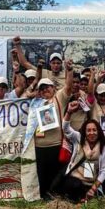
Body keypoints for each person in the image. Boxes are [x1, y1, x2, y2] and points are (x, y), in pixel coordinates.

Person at [33, 60, 74, 199]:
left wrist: (69, 70)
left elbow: (68, 86)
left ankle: (56, 197)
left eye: (47, 87)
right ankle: (44, 198)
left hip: (56, 144)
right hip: (38, 146)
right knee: (42, 175)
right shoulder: (34, 104)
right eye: (42, 88)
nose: (45, 90)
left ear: (53, 88)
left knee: (55, 174)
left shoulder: (59, 98)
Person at [55, 101, 105, 202]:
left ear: (99, 132)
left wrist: (94, 188)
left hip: (91, 182)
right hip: (75, 178)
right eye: (88, 130)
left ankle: (85, 195)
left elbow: (104, 171)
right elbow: (66, 128)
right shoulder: (78, 138)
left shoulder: (104, 149)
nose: (91, 133)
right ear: (84, 132)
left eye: (94, 130)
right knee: (74, 185)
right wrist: (69, 112)